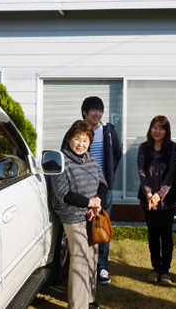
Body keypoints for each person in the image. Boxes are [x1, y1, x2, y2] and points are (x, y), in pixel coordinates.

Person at [62, 96, 122, 285]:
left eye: (100, 110)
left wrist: (107, 178)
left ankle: (101, 267)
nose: (98, 113)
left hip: (103, 190)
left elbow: (117, 154)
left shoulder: (109, 131)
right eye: (93, 110)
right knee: (79, 230)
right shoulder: (75, 133)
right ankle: (78, 265)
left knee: (101, 226)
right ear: (84, 113)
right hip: (79, 191)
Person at [52, 120, 108, 309]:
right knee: (79, 261)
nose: (81, 144)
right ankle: (77, 305)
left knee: (92, 258)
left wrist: (98, 201)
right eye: (77, 139)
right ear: (69, 139)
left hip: (92, 216)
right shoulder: (61, 161)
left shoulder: (90, 158)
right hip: (73, 217)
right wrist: (88, 202)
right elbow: (63, 194)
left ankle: (89, 301)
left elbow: (103, 181)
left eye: (85, 140)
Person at [137, 115, 176, 286]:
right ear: (150, 129)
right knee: (153, 235)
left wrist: (158, 195)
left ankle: (165, 270)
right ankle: (155, 268)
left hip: (167, 200)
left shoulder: (172, 148)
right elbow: (141, 172)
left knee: (166, 235)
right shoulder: (143, 148)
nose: (157, 131)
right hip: (148, 201)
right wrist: (148, 194)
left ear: (166, 131)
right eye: (154, 127)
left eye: (161, 128)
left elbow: (171, 174)